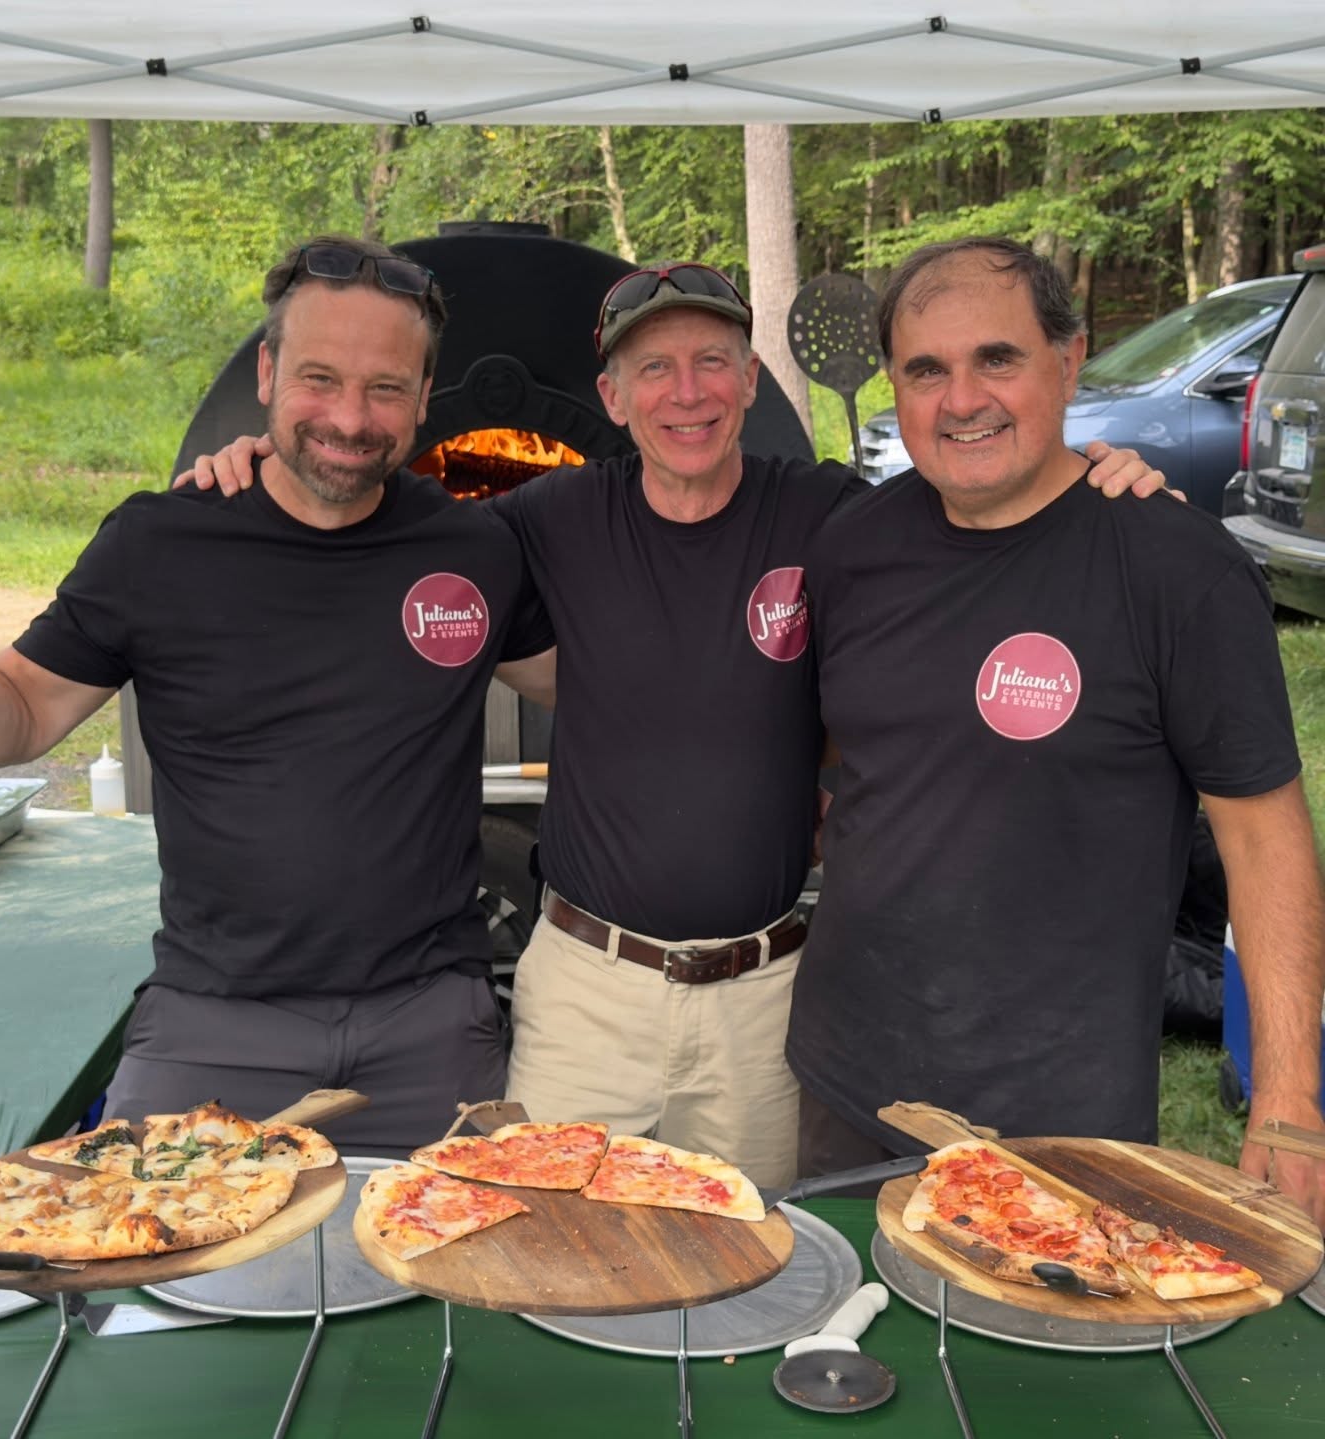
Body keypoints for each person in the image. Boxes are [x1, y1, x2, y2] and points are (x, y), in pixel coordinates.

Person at [183, 259, 1167, 1188]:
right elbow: (374, 515)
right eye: (654, 367)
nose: (685, 392)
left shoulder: (827, 513)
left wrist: (1087, 482)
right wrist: (260, 461)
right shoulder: (549, 516)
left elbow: (975, 517)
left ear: (748, 381)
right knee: (553, 1236)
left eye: (711, 363)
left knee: (756, 1257)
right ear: (612, 397)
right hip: (587, 990)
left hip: (767, 990)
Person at [0, 235, 554, 1154]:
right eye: (320, 378)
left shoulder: (470, 549)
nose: (351, 418)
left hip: (430, 1030)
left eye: (386, 388)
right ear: (269, 373)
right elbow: (20, 714)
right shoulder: (159, 544)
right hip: (213, 1028)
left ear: (424, 398)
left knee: (444, 1282)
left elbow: (597, 682)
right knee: (151, 1272)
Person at [790, 236, 1325, 1226]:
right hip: (846, 1084)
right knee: (851, 1364)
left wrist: (1290, 1099)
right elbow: (850, 753)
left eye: (997, 358)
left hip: (1060, 1113)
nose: (962, 399)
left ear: (1069, 360)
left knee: (1051, 1377)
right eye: (926, 370)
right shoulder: (852, 549)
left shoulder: (1176, 569)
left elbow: (1266, 838)